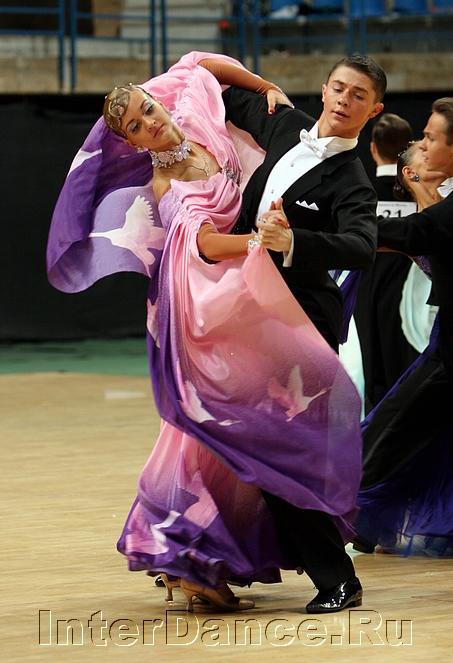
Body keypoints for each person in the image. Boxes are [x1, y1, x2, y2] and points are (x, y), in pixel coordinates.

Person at [47, 52, 363, 613]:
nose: (150, 123)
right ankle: (205, 552)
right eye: (136, 126)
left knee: (234, 439)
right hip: (218, 304)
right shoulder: (165, 180)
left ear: (159, 102)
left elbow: (200, 63)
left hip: (268, 294)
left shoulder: (194, 118)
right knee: (252, 437)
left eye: (148, 109)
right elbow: (201, 244)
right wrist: (258, 243)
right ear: (132, 142)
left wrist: (262, 84)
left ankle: (198, 553)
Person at [221, 53, 387, 612]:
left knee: (278, 450)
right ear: (323, 89)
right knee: (224, 437)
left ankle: (338, 578)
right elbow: (209, 84)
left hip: (301, 325)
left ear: (373, 111)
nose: (345, 100)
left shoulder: (353, 180)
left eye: (358, 95)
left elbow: (361, 246)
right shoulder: (284, 123)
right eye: (339, 88)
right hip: (243, 310)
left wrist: (294, 243)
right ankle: (218, 555)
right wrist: (258, 82)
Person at [352, 100, 453, 555]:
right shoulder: (438, 204)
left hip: (446, 347)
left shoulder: (442, 211)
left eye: (430, 138)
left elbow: (415, 234)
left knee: (388, 431)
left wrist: (318, 230)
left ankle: (344, 519)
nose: (422, 145)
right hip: (439, 337)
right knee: (408, 433)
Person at [354, 113, 419, 413]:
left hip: (367, 295)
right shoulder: (422, 198)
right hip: (411, 301)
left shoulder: (360, 197)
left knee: (373, 377)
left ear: (372, 149)